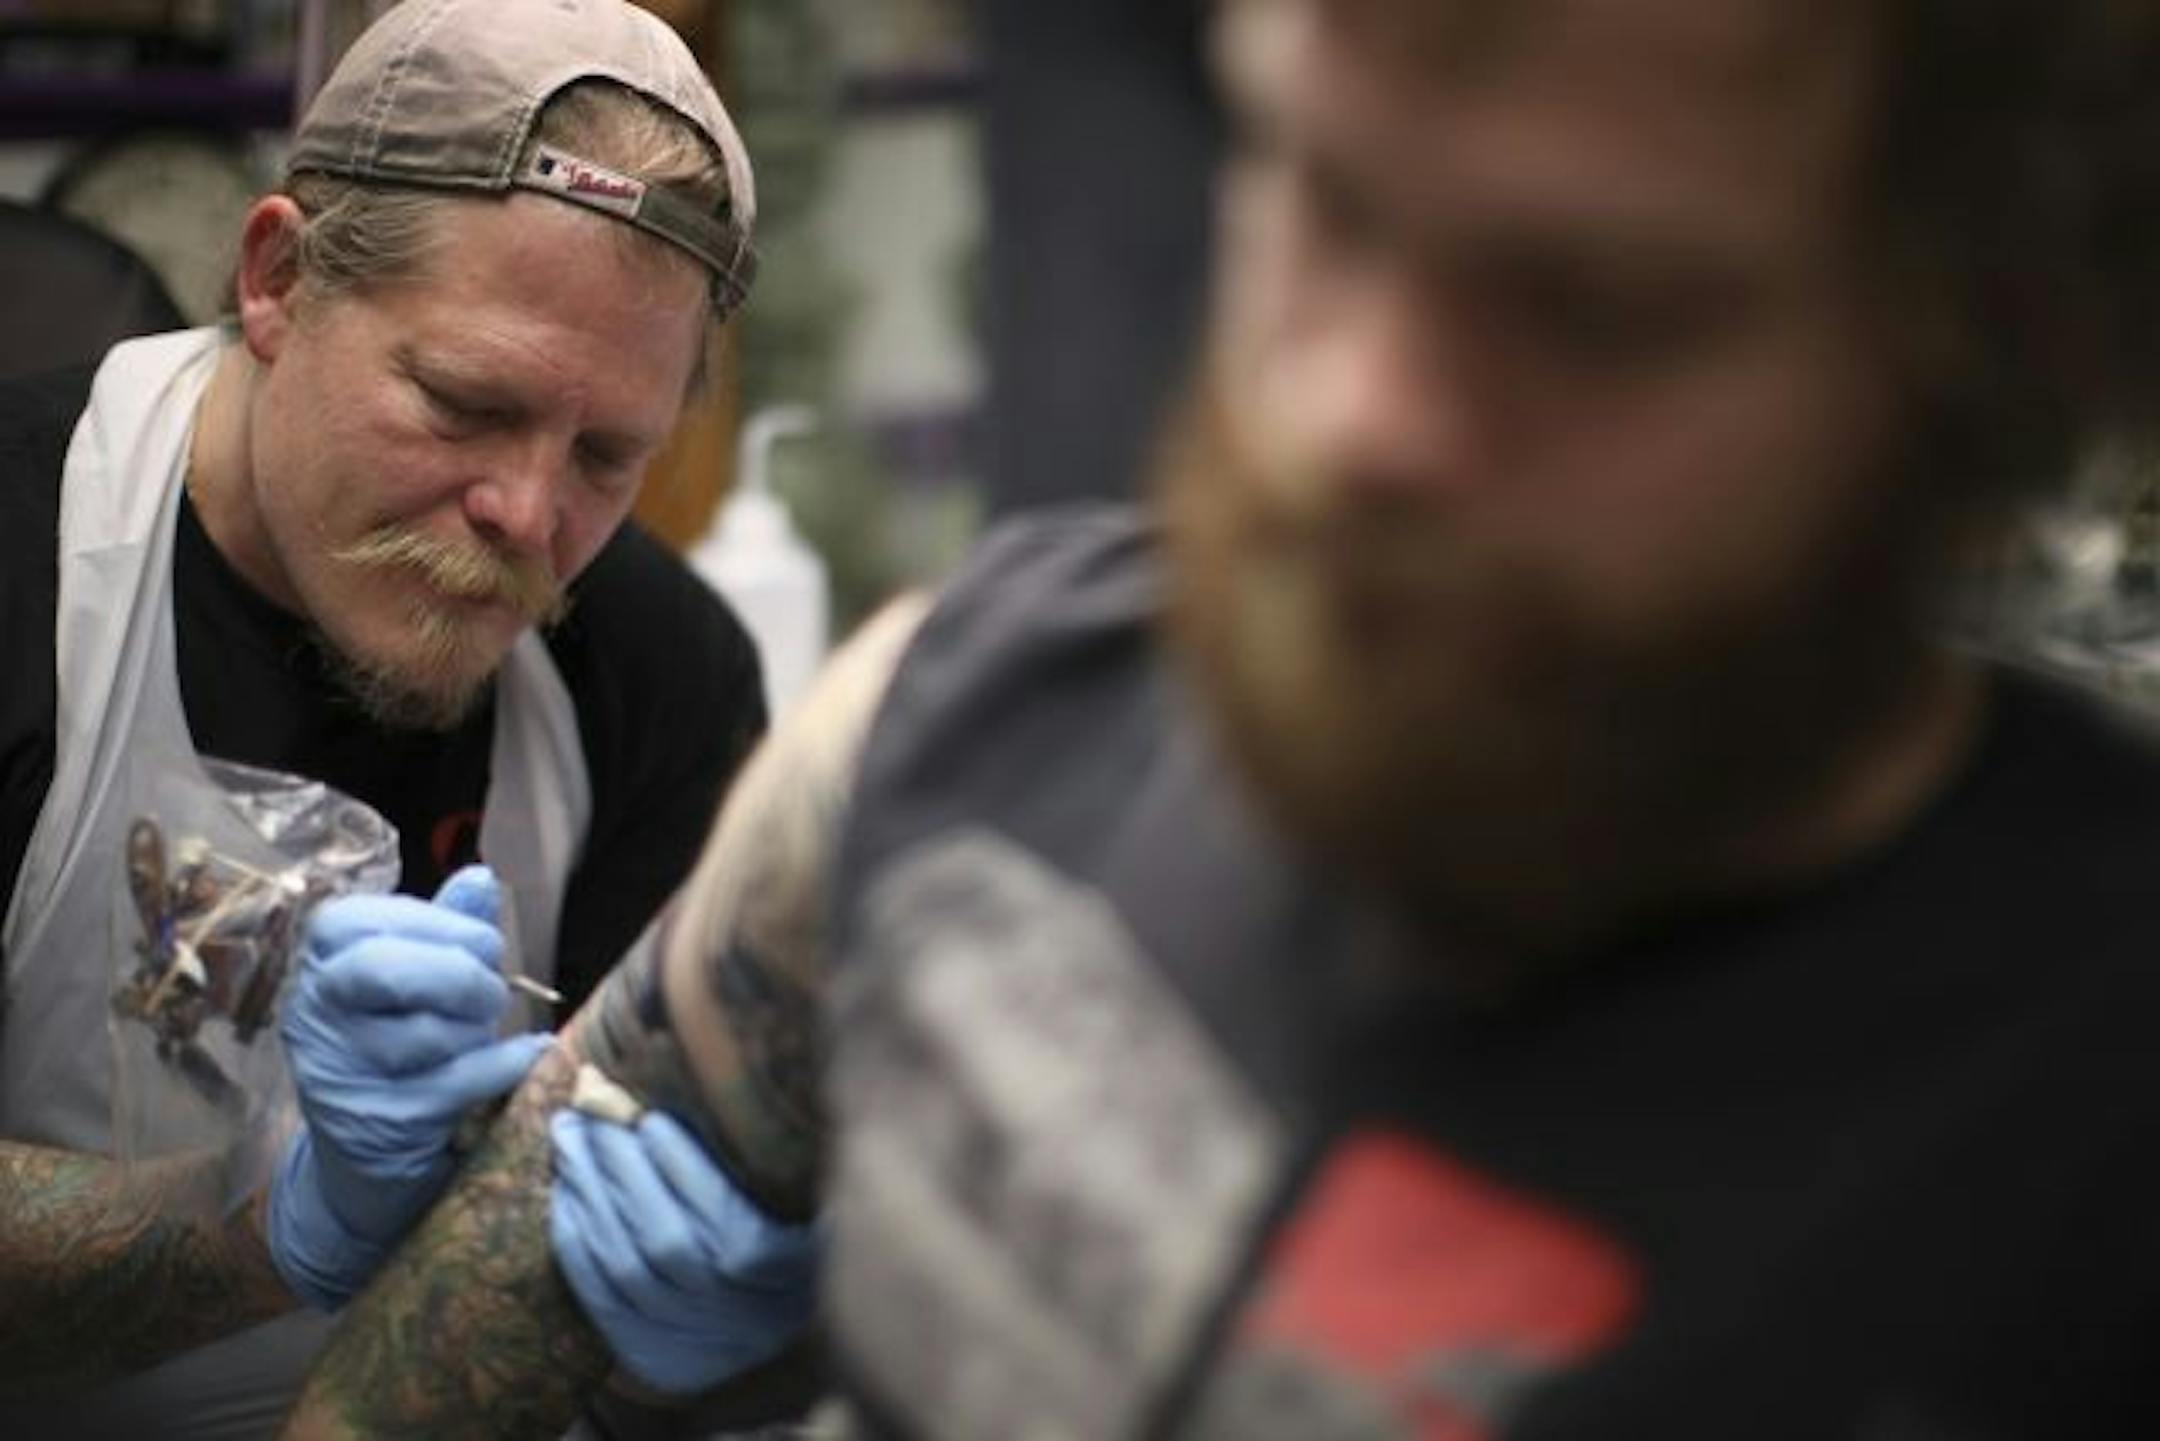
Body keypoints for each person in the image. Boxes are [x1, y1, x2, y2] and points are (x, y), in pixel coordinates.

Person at [282, 0, 2160, 1436]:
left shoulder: (2077, 1161)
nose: (1348, 414)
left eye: (1591, 309)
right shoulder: (962, 713)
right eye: (1323, 193)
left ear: (1985, 355)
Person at [0, 0, 783, 1435]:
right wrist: (274, 1224)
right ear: (279, 279)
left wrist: (730, 1324)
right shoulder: (29, 564)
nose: (528, 516)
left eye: (609, 454)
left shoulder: (659, 677)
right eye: (465, 403)